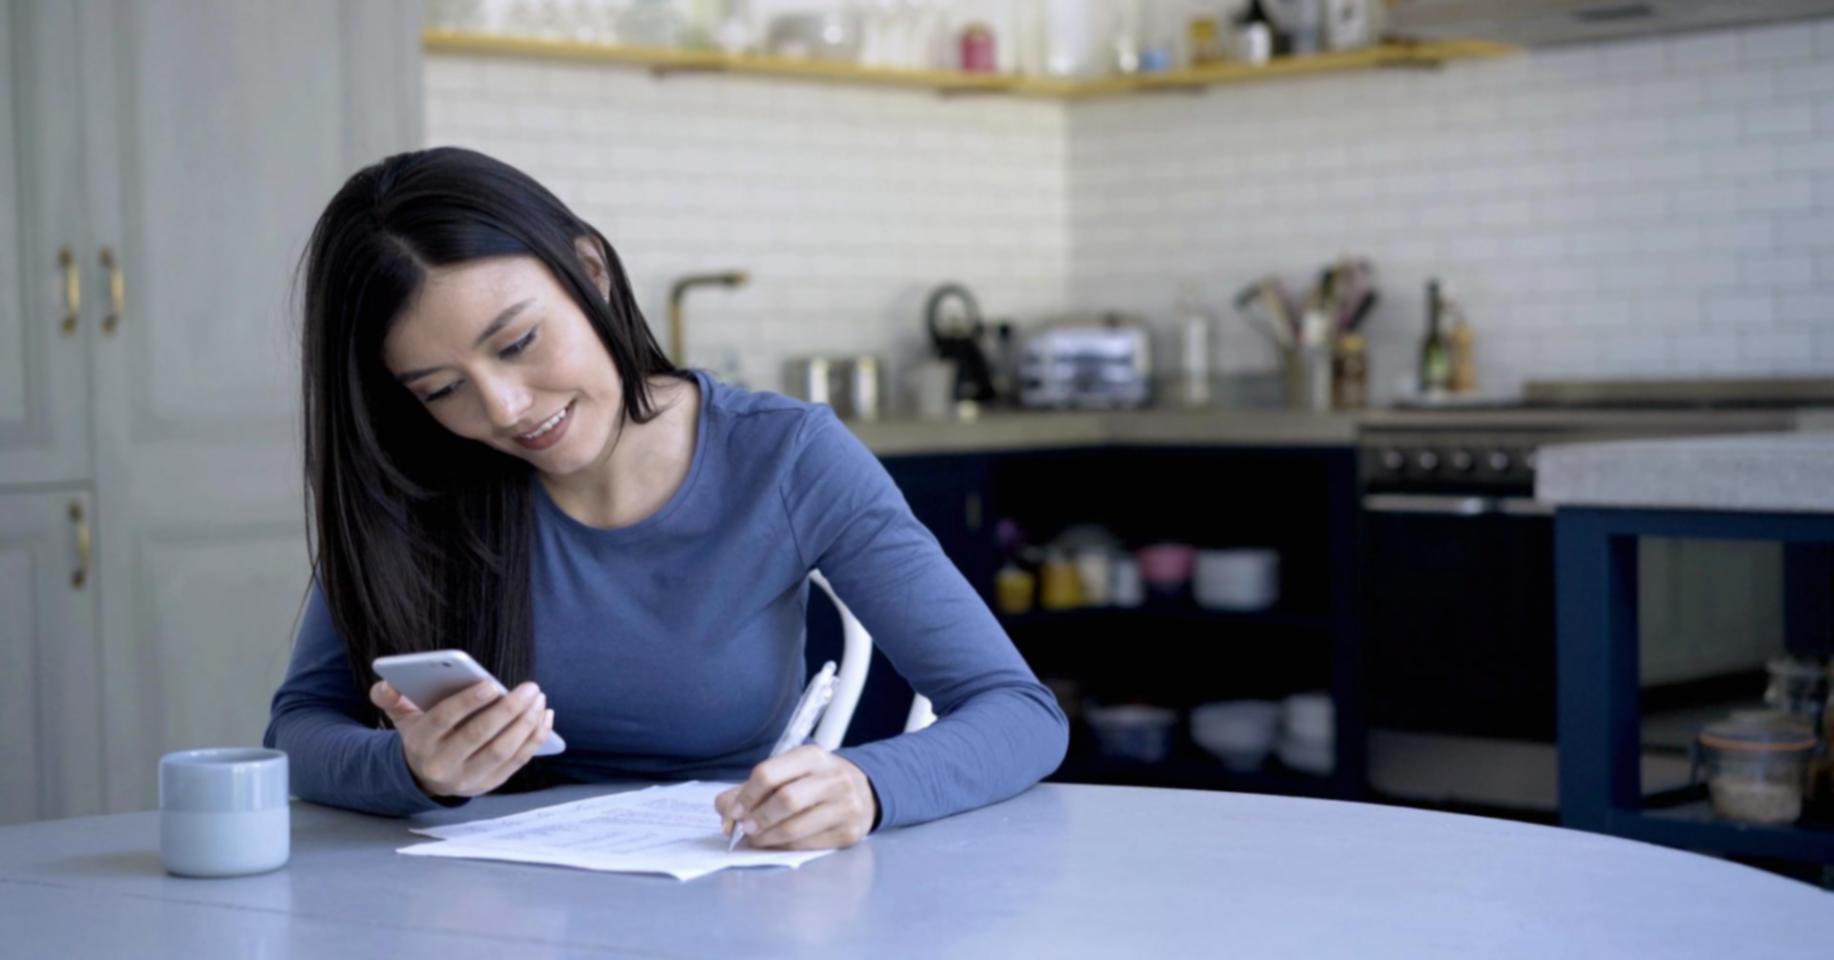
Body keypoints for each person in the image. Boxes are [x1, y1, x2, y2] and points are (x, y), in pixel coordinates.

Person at [264, 146, 1068, 850]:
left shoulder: (784, 457)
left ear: (592, 273)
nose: (503, 408)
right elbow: (298, 730)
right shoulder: (419, 480)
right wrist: (410, 768)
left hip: (721, 885)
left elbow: (1019, 713)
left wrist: (867, 786)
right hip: (468, 903)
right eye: (442, 389)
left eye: (518, 343)